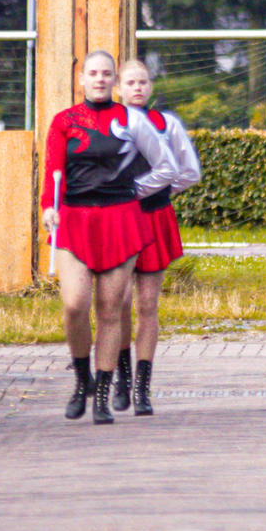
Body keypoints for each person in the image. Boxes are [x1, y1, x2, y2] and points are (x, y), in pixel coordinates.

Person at [41, 48, 169, 422]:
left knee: (111, 310)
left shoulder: (132, 120)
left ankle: (102, 393)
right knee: (75, 305)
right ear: (81, 79)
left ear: (115, 80)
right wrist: (50, 206)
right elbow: (53, 171)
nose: (99, 79)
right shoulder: (64, 121)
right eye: (92, 73)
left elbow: (163, 164)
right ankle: (82, 380)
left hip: (121, 218)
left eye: (106, 74)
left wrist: (145, 192)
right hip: (75, 219)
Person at [113, 56, 203, 413]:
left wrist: (156, 190)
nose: (137, 88)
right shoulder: (110, 125)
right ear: (118, 88)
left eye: (143, 82)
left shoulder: (167, 124)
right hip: (117, 221)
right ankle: (119, 379)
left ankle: (142, 388)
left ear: (151, 87)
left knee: (147, 304)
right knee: (116, 304)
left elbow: (188, 171)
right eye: (130, 83)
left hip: (153, 218)